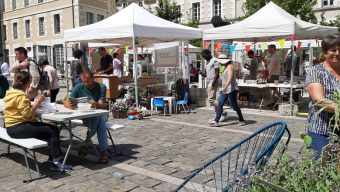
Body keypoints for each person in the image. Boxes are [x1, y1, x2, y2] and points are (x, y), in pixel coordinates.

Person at [3, 71, 71, 171]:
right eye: (30, 81)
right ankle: (57, 162)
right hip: (18, 127)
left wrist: (32, 106)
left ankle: (53, 158)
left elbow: (19, 109)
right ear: (27, 83)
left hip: (10, 127)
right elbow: (27, 116)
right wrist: (38, 101)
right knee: (53, 130)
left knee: (49, 129)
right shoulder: (22, 96)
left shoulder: (11, 92)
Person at [63, 68, 109, 164]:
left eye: (88, 81)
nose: (87, 84)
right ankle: (99, 148)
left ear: (93, 78)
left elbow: (101, 104)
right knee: (98, 120)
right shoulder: (79, 87)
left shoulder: (101, 87)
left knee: (100, 119)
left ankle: (93, 145)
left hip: (101, 113)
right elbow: (67, 100)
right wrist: (67, 104)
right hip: (84, 114)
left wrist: (95, 104)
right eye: (84, 82)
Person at [305, 34, 340, 158]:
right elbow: (318, 100)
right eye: (333, 50)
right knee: (322, 169)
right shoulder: (316, 71)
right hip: (321, 130)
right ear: (325, 53)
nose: (337, 53)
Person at [210, 54, 245, 127]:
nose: (219, 63)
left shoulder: (230, 66)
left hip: (232, 89)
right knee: (220, 103)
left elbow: (229, 78)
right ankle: (216, 121)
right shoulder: (224, 67)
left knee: (234, 105)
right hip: (225, 89)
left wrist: (225, 87)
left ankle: (241, 120)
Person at [200, 49, 226, 121]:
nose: (204, 58)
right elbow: (208, 73)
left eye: (204, 57)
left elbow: (217, 74)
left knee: (211, 100)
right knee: (213, 100)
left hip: (213, 82)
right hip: (208, 82)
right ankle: (216, 115)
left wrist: (212, 83)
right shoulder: (207, 62)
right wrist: (203, 74)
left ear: (208, 54)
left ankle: (223, 111)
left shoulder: (215, 60)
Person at [265, 44, 280, 108]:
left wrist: (269, 76)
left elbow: (274, 67)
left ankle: (276, 103)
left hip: (274, 75)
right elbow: (270, 66)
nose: (268, 50)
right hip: (274, 75)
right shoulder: (273, 56)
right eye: (268, 49)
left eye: (269, 49)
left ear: (273, 49)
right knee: (274, 89)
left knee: (275, 89)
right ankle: (274, 102)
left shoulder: (275, 56)